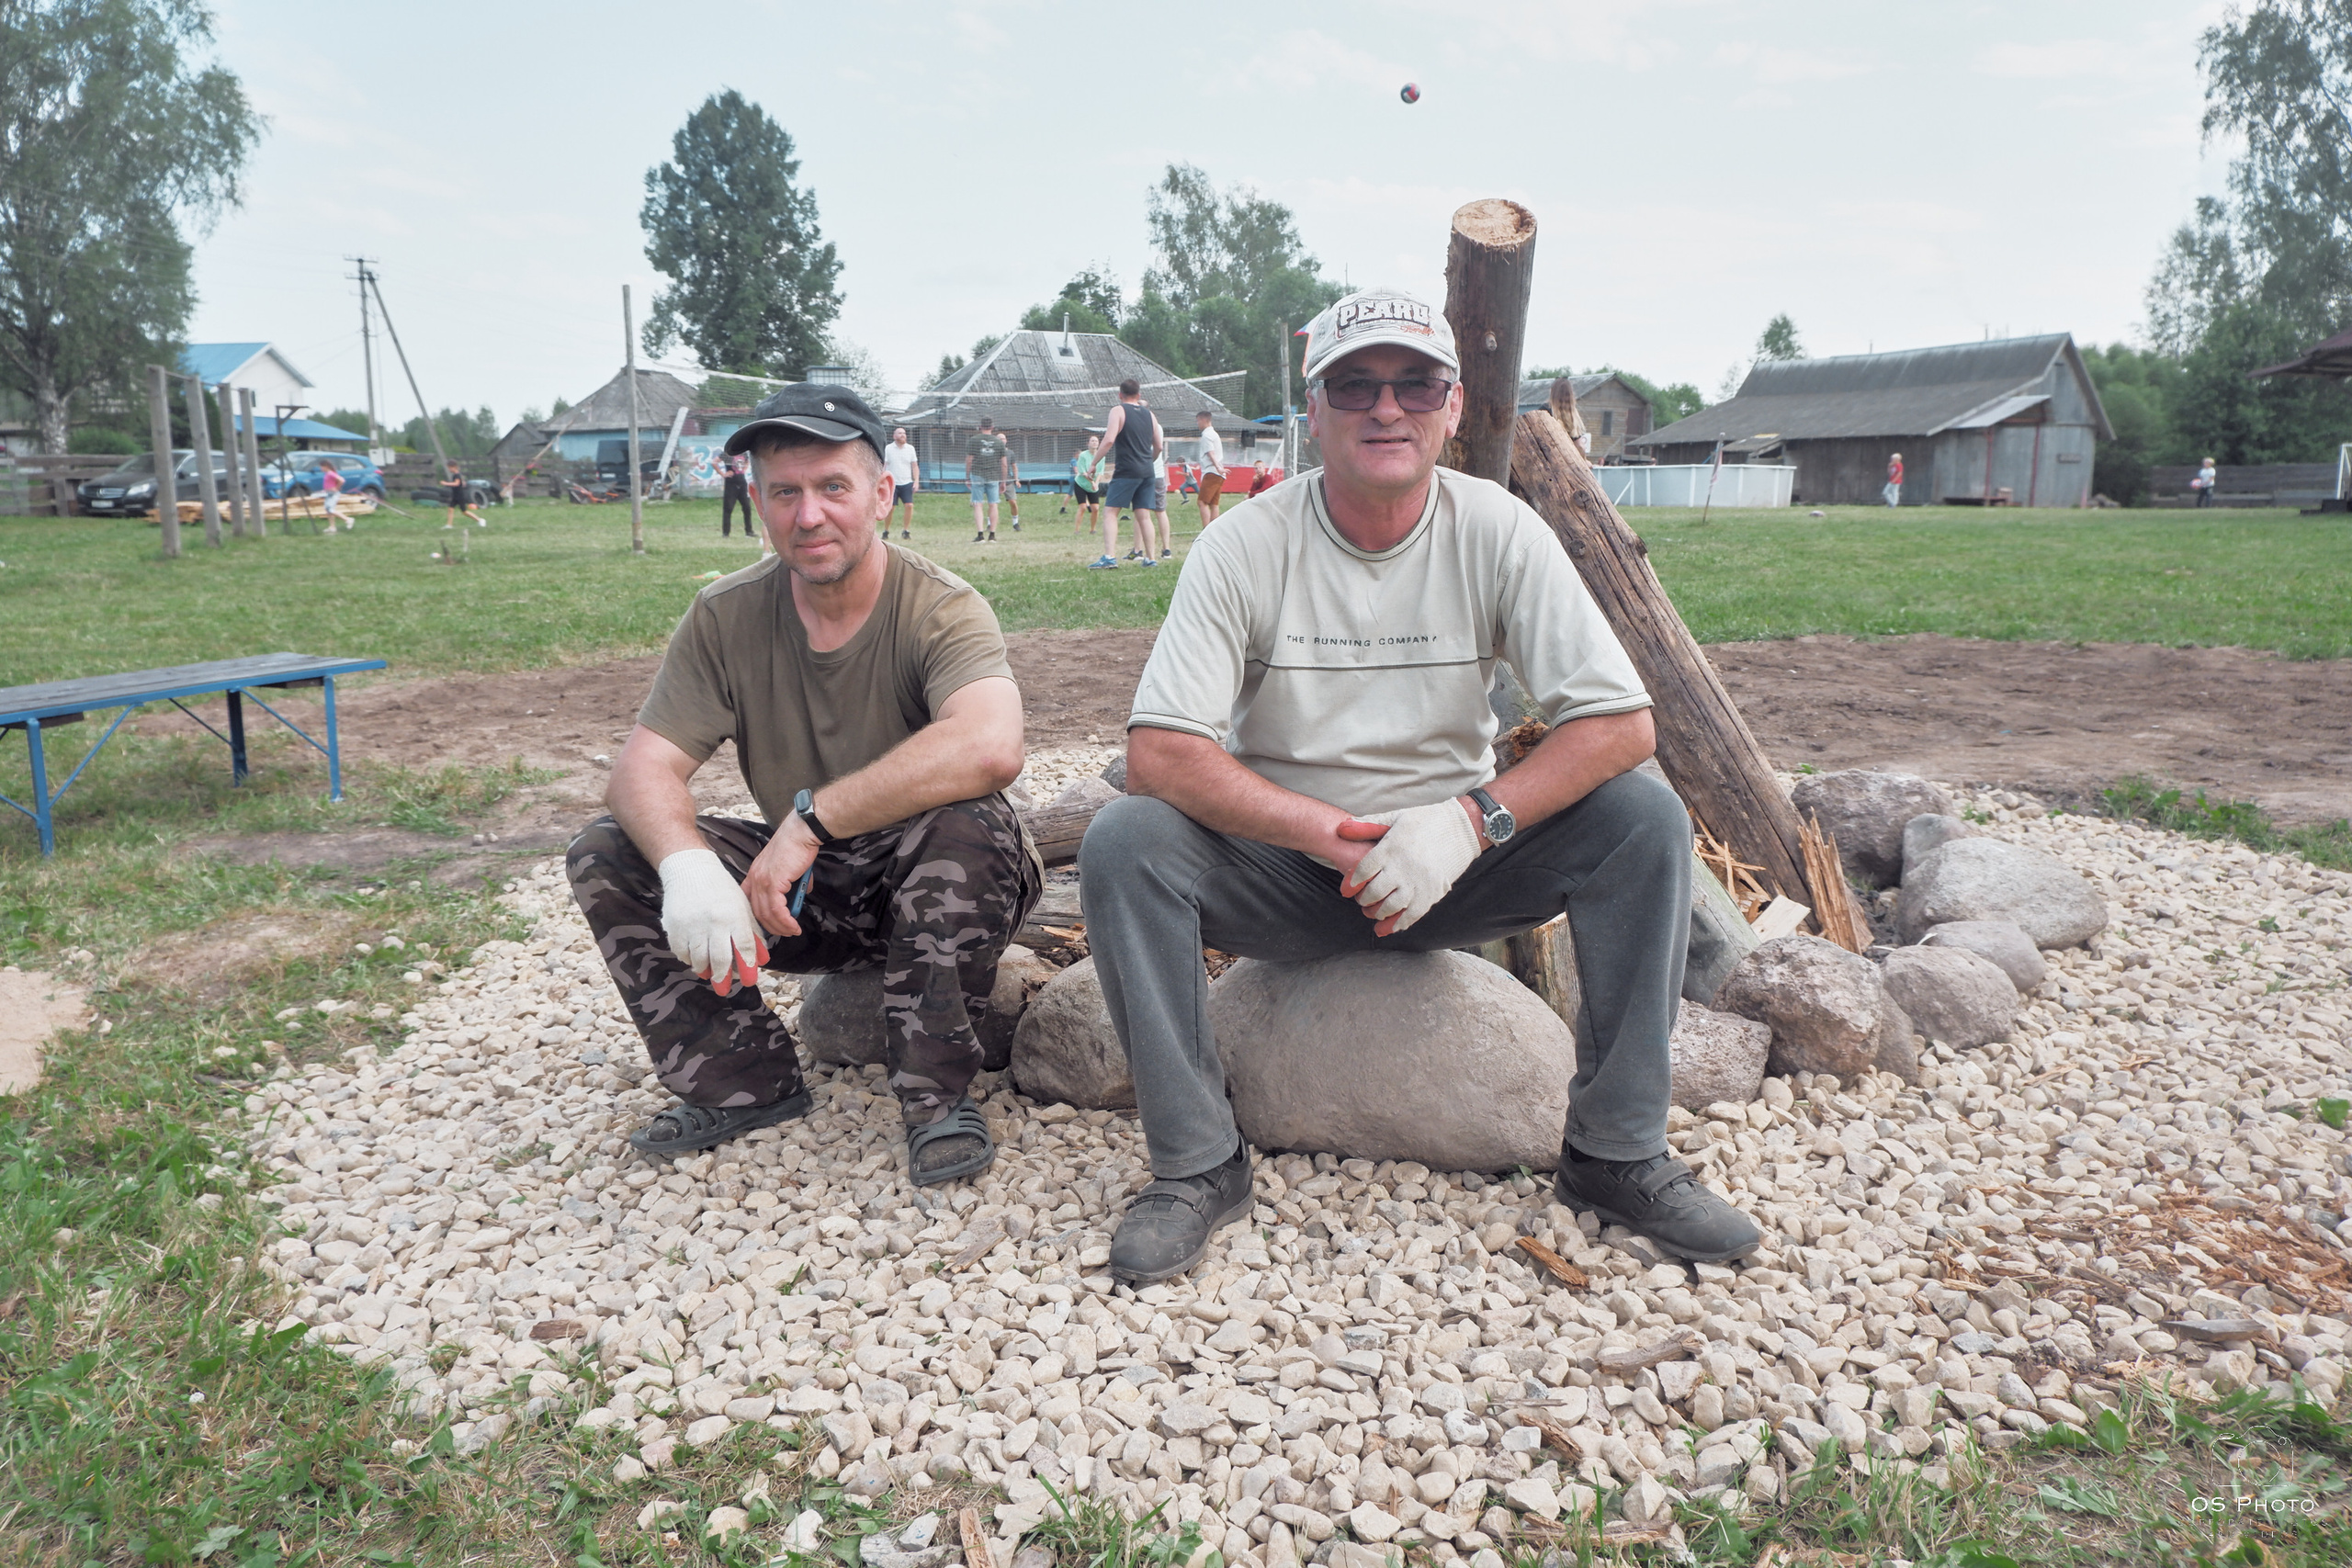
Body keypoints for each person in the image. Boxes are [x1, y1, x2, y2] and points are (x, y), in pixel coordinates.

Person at [1078, 286, 1756, 1282]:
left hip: (1455, 871)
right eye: (1354, 385)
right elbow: (1160, 753)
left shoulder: (1501, 529)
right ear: (1314, 410)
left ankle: (1616, 1154)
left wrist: (1467, 822)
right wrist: (1319, 831)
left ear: (1451, 405)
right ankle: (1196, 1166)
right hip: (1290, 874)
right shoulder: (1243, 543)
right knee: (1125, 841)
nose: (1383, 408)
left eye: (1413, 384)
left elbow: (1620, 724)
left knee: (1643, 816)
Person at [567, 383, 1039, 1182]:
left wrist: (810, 821)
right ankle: (744, 1081)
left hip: (925, 877)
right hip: (801, 897)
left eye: (832, 487)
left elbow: (992, 746)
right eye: (785, 491)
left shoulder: (941, 607)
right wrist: (686, 869)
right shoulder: (726, 615)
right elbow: (642, 767)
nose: (808, 515)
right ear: (758, 501)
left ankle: (937, 1098)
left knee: (971, 824)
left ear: (882, 494)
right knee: (611, 850)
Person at [1090, 380, 1163, 570]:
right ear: (1138, 395)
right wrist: (1148, 461)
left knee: (1110, 513)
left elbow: (1108, 441)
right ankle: (1151, 558)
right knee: (1144, 516)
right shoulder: (1150, 415)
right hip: (1147, 471)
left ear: (1119, 395)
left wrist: (1093, 463)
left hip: (1127, 470)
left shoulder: (1118, 411)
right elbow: (1159, 446)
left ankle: (1109, 557)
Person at [966, 417, 1008, 542]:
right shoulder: (999, 442)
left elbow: (969, 460)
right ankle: (992, 535)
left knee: (977, 504)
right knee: (993, 504)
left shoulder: (974, 440)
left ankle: (980, 534)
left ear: (980, 427)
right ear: (992, 427)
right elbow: (1004, 464)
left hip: (977, 474)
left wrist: (967, 476)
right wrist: (1003, 481)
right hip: (994, 476)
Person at [882, 427, 920, 537]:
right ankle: (886, 530)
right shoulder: (888, 448)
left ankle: (906, 530)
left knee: (909, 505)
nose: (902, 435)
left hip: (907, 482)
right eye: (900, 433)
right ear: (894, 436)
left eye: (904, 433)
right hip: (892, 483)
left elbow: (914, 466)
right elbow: (884, 465)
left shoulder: (910, 449)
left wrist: (916, 481)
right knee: (891, 508)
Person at [1193, 410, 1227, 527]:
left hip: (1212, 471)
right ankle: (1213, 531)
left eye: (1198, 421)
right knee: (1214, 504)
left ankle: (1206, 532)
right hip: (1218, 473)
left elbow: (1210, 453)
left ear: (1203, 420)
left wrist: (1217, 467)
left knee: (1202, 502)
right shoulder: (1214, 434)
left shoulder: (1206, 435)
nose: (1197, 424)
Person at [1071, 437, 1105, 534]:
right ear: (1088, 443)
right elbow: (1082, 471)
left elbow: (1100, 472)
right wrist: (1092, 482)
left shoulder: (1101, 456)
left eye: (1096, 441)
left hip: (1093, 486)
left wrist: (1096, 484)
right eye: (1092, 441)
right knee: (1082, 507)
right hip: (1081, 484)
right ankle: (1077, 530)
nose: (1094, 443)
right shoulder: (1083, 455)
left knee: (1095, 508)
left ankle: (1093, 529)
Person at [442, 461, 487, 528]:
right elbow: (461, 483)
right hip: (455, 495)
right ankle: (449, 525)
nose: (449, 470)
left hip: (460, 496)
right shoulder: (456, 475)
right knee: (450, 509)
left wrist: (446, 483)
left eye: (450, 468)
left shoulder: (457, 475)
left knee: (464, 512)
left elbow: (456, 483)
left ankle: (480, 520)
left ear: (454, 467)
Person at [721, 452, 755, 539]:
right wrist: (723, 474)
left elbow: (747, 461)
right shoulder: (727, 453)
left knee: (747, 507)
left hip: (742, 483)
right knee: (728, 508)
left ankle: (749, 531)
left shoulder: (744, 454)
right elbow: (714, 462)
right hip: (731, 484)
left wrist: (744, 469)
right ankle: (726, 532)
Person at [318, 459, 347, 532]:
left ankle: (347, 519)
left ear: (326, 467)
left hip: (333, 494)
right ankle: (332, 527)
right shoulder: (327, 474)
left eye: (321, 467)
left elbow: (342, 480)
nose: (320, 468)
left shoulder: (331, 473)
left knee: (330, 509)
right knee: (327, 510)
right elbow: (329, 484)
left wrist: (337, 488)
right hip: (329, 493)